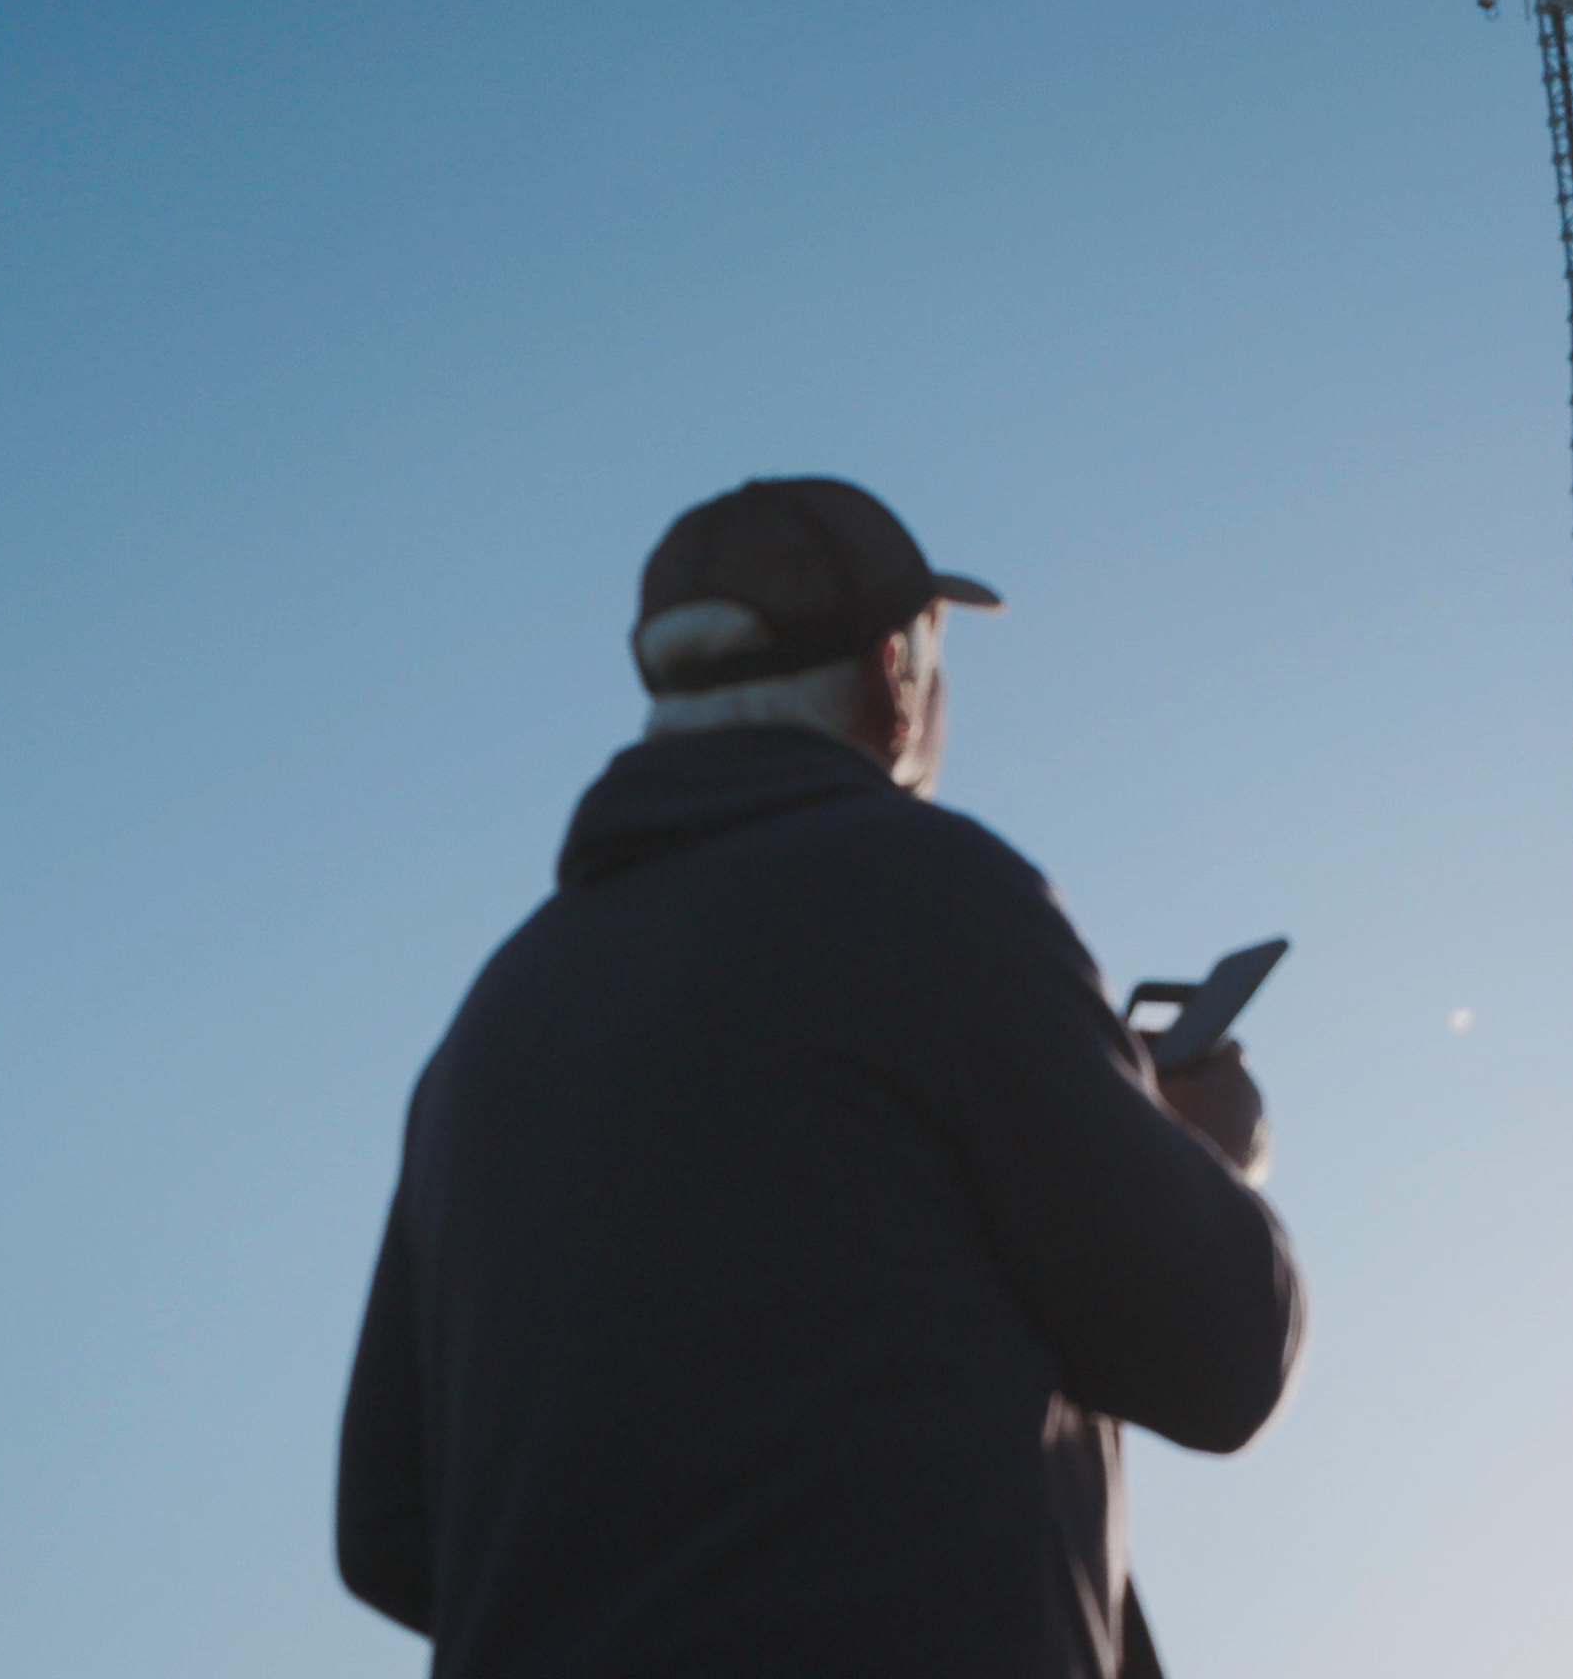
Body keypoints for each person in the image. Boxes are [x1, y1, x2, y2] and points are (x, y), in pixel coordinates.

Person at [335, 476, 1305, 1679]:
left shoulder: (491, 1019)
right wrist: (1205, 1147)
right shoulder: (936, 898)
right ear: (893, 679)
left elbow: (385, 1535)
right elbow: (1218, 1356)